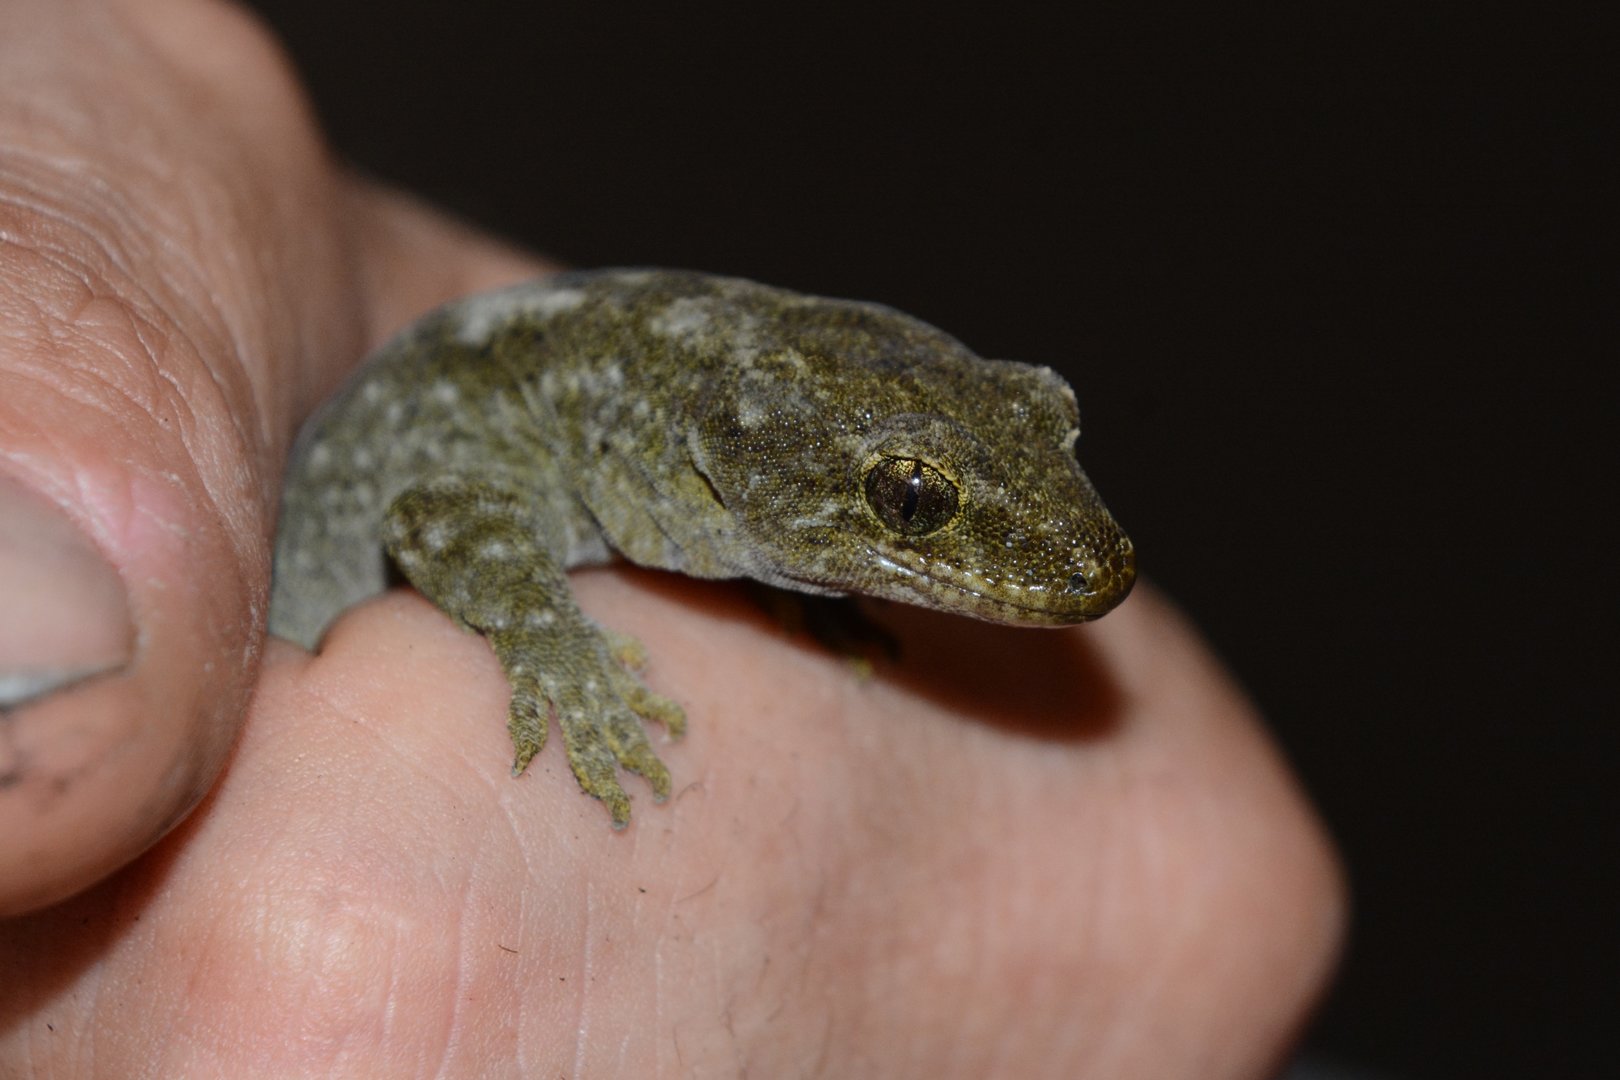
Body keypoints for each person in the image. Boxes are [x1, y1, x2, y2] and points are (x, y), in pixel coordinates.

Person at [0, 1, 1344, 1073]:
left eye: (1049, 423)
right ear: (724, 466)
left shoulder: (703, 447)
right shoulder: (598, 439)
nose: (1071, 549)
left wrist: (811, 576)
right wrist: (548, 643)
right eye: (911, 504)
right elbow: (434, 512)